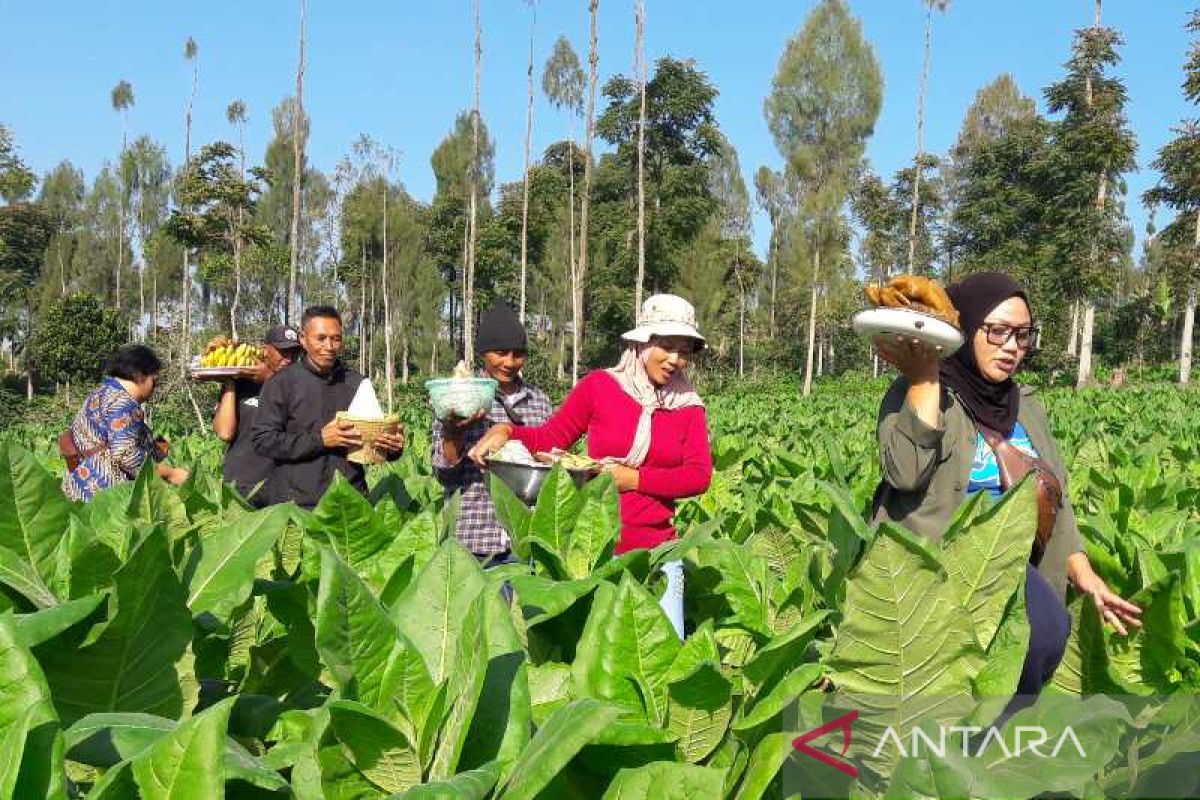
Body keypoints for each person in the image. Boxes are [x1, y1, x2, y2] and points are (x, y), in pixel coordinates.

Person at [872, 271, 1141, 710]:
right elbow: (905, 474)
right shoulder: (916, 391)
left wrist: (1085, 575)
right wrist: (924, 380)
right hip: (931, 561)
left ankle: (996, 743)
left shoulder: (1026, 406)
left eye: (1022, 334)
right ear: (965, 329)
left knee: (1044, 635)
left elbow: (1055, 495)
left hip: (1008, 562)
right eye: (997, 331)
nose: (1012, 346)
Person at [470, 293, 713, 637]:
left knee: (666, 653)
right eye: (667, 346)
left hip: (658, 553)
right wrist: (506, 431)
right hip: (597, 552)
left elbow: (698, 475)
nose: (675, 359)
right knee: (599, 658)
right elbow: (551, 437)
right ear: (643, 342)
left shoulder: (688, 406)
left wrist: (634, 480)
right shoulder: (600, 387)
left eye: (685, 351)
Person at [432, 301, 552, 565]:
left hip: (524, 537)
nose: (510, 362)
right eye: (500, 352)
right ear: (484, 354)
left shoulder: (539, 401)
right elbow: (444, 474)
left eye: (518, 354)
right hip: (474, 537)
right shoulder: (459, 396)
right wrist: (453, 433)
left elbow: (547, 463)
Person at [251, 306, 405, 509]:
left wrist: (392, 447)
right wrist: (320, 439)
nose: (329, 346)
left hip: (350, 503)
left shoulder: (357, 383)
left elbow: (372, 444)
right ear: (303, 339)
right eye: (321, 338)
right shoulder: (282, 383)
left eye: (336, 338)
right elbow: (263, 441)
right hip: (297, 506)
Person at [62, 344, 189, 501]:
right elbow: (125, 455)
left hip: (80, 487)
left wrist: (161, 446)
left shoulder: (101, 393)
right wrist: (171, 474)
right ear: (139, 375)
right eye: (154, 381)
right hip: (104, 494)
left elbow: (116, 439)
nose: (155, 387)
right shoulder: (122, 403)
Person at [213, 325, 304, 506]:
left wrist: (270, 380)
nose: (289, 358)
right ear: (265, 350)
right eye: (282, 351)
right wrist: (230, 381)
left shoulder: (300, 386)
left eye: (294, 353)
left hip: (282, 487)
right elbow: (224, 432)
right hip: (239, 483)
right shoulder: (242, 385)